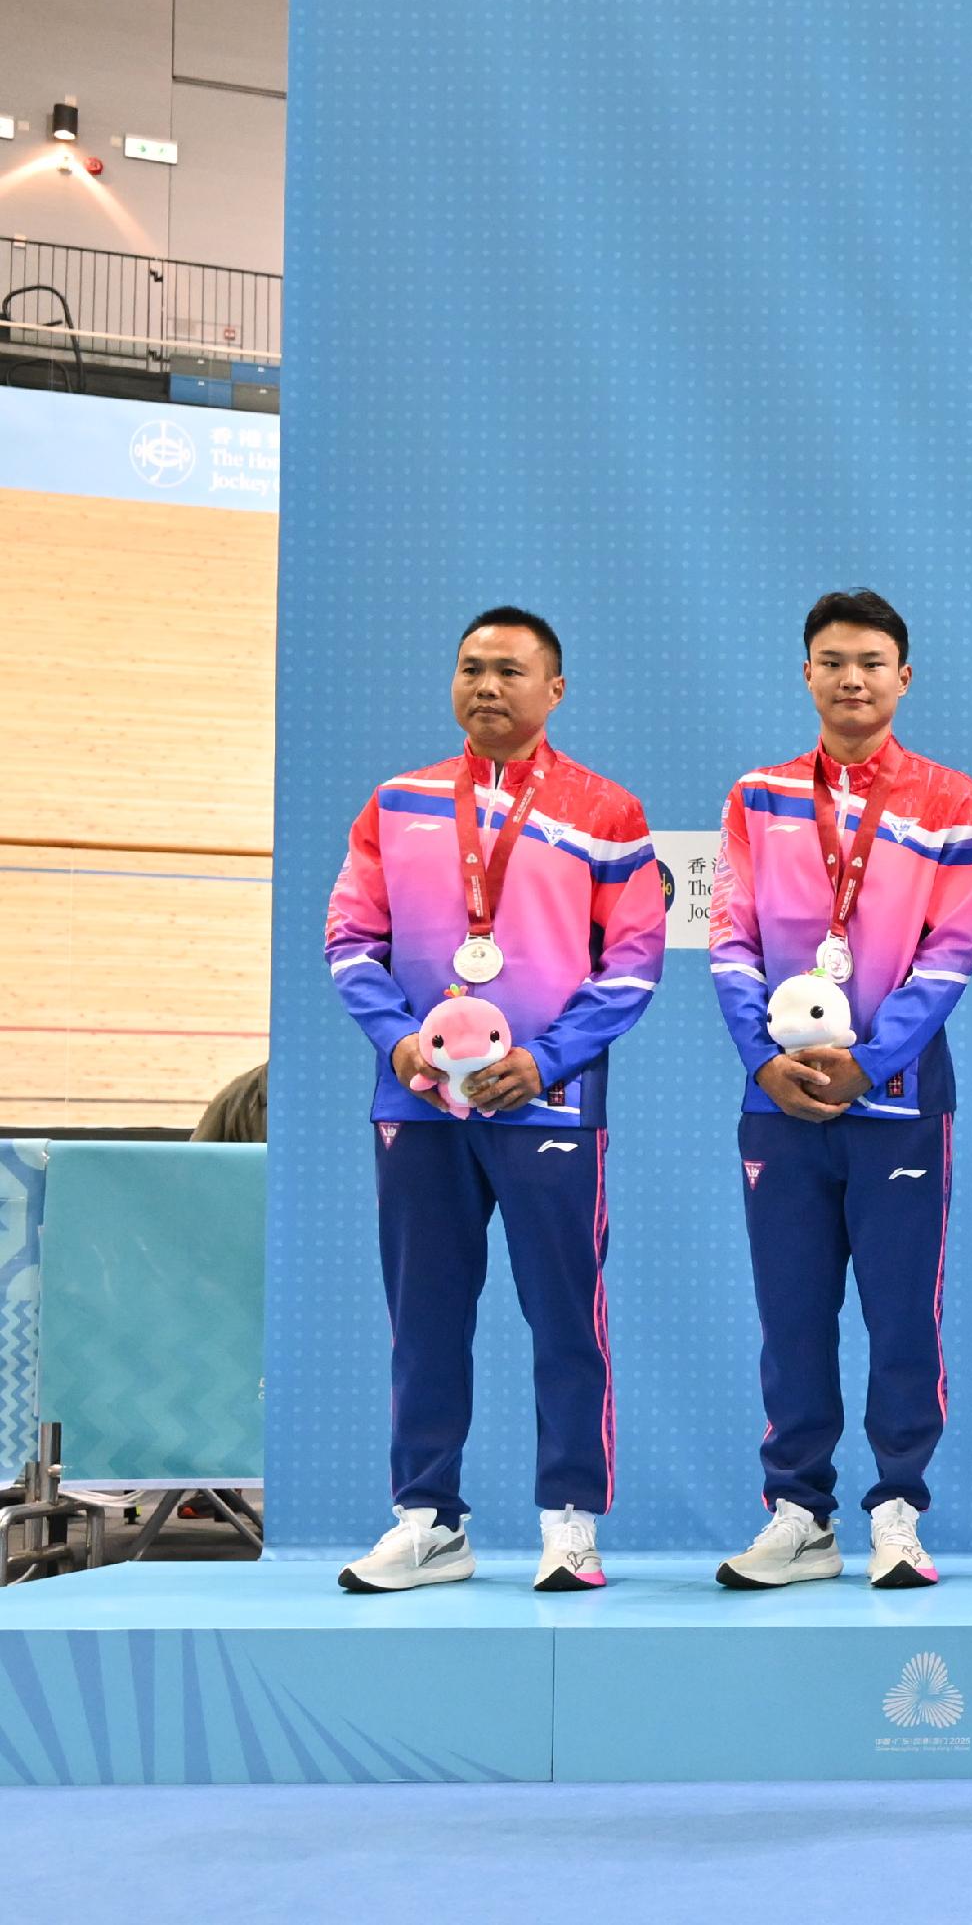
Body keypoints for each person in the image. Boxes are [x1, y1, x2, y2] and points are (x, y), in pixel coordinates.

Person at [322, 607, 665, 1592]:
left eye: (510, 671)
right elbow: (351, 940)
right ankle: (429, 1520)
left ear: (553, 689)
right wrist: (398, 1044)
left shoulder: (607, 811)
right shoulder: (397, 802)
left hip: (547, 1106)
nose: (486, 685)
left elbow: (634, 963)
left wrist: (548, 1061)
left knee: (565, 1317)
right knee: (424, 1317)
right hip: (420, 1106)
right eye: (471, 667)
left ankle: (570, 1521)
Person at [709, 590, 972, 1589]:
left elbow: (949, 956)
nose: (852, 679)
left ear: (903, 678)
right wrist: (763, 1060)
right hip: (779, 1101)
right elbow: (731, 938)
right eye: (832, 661)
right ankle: (800, 1514)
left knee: (902, 1318)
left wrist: (869, 1061)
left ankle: (899, 1509)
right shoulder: (758, 796)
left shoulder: (954, 801)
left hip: (899, 1103)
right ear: (806, 674)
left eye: (871, 662)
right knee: (791, 1317)